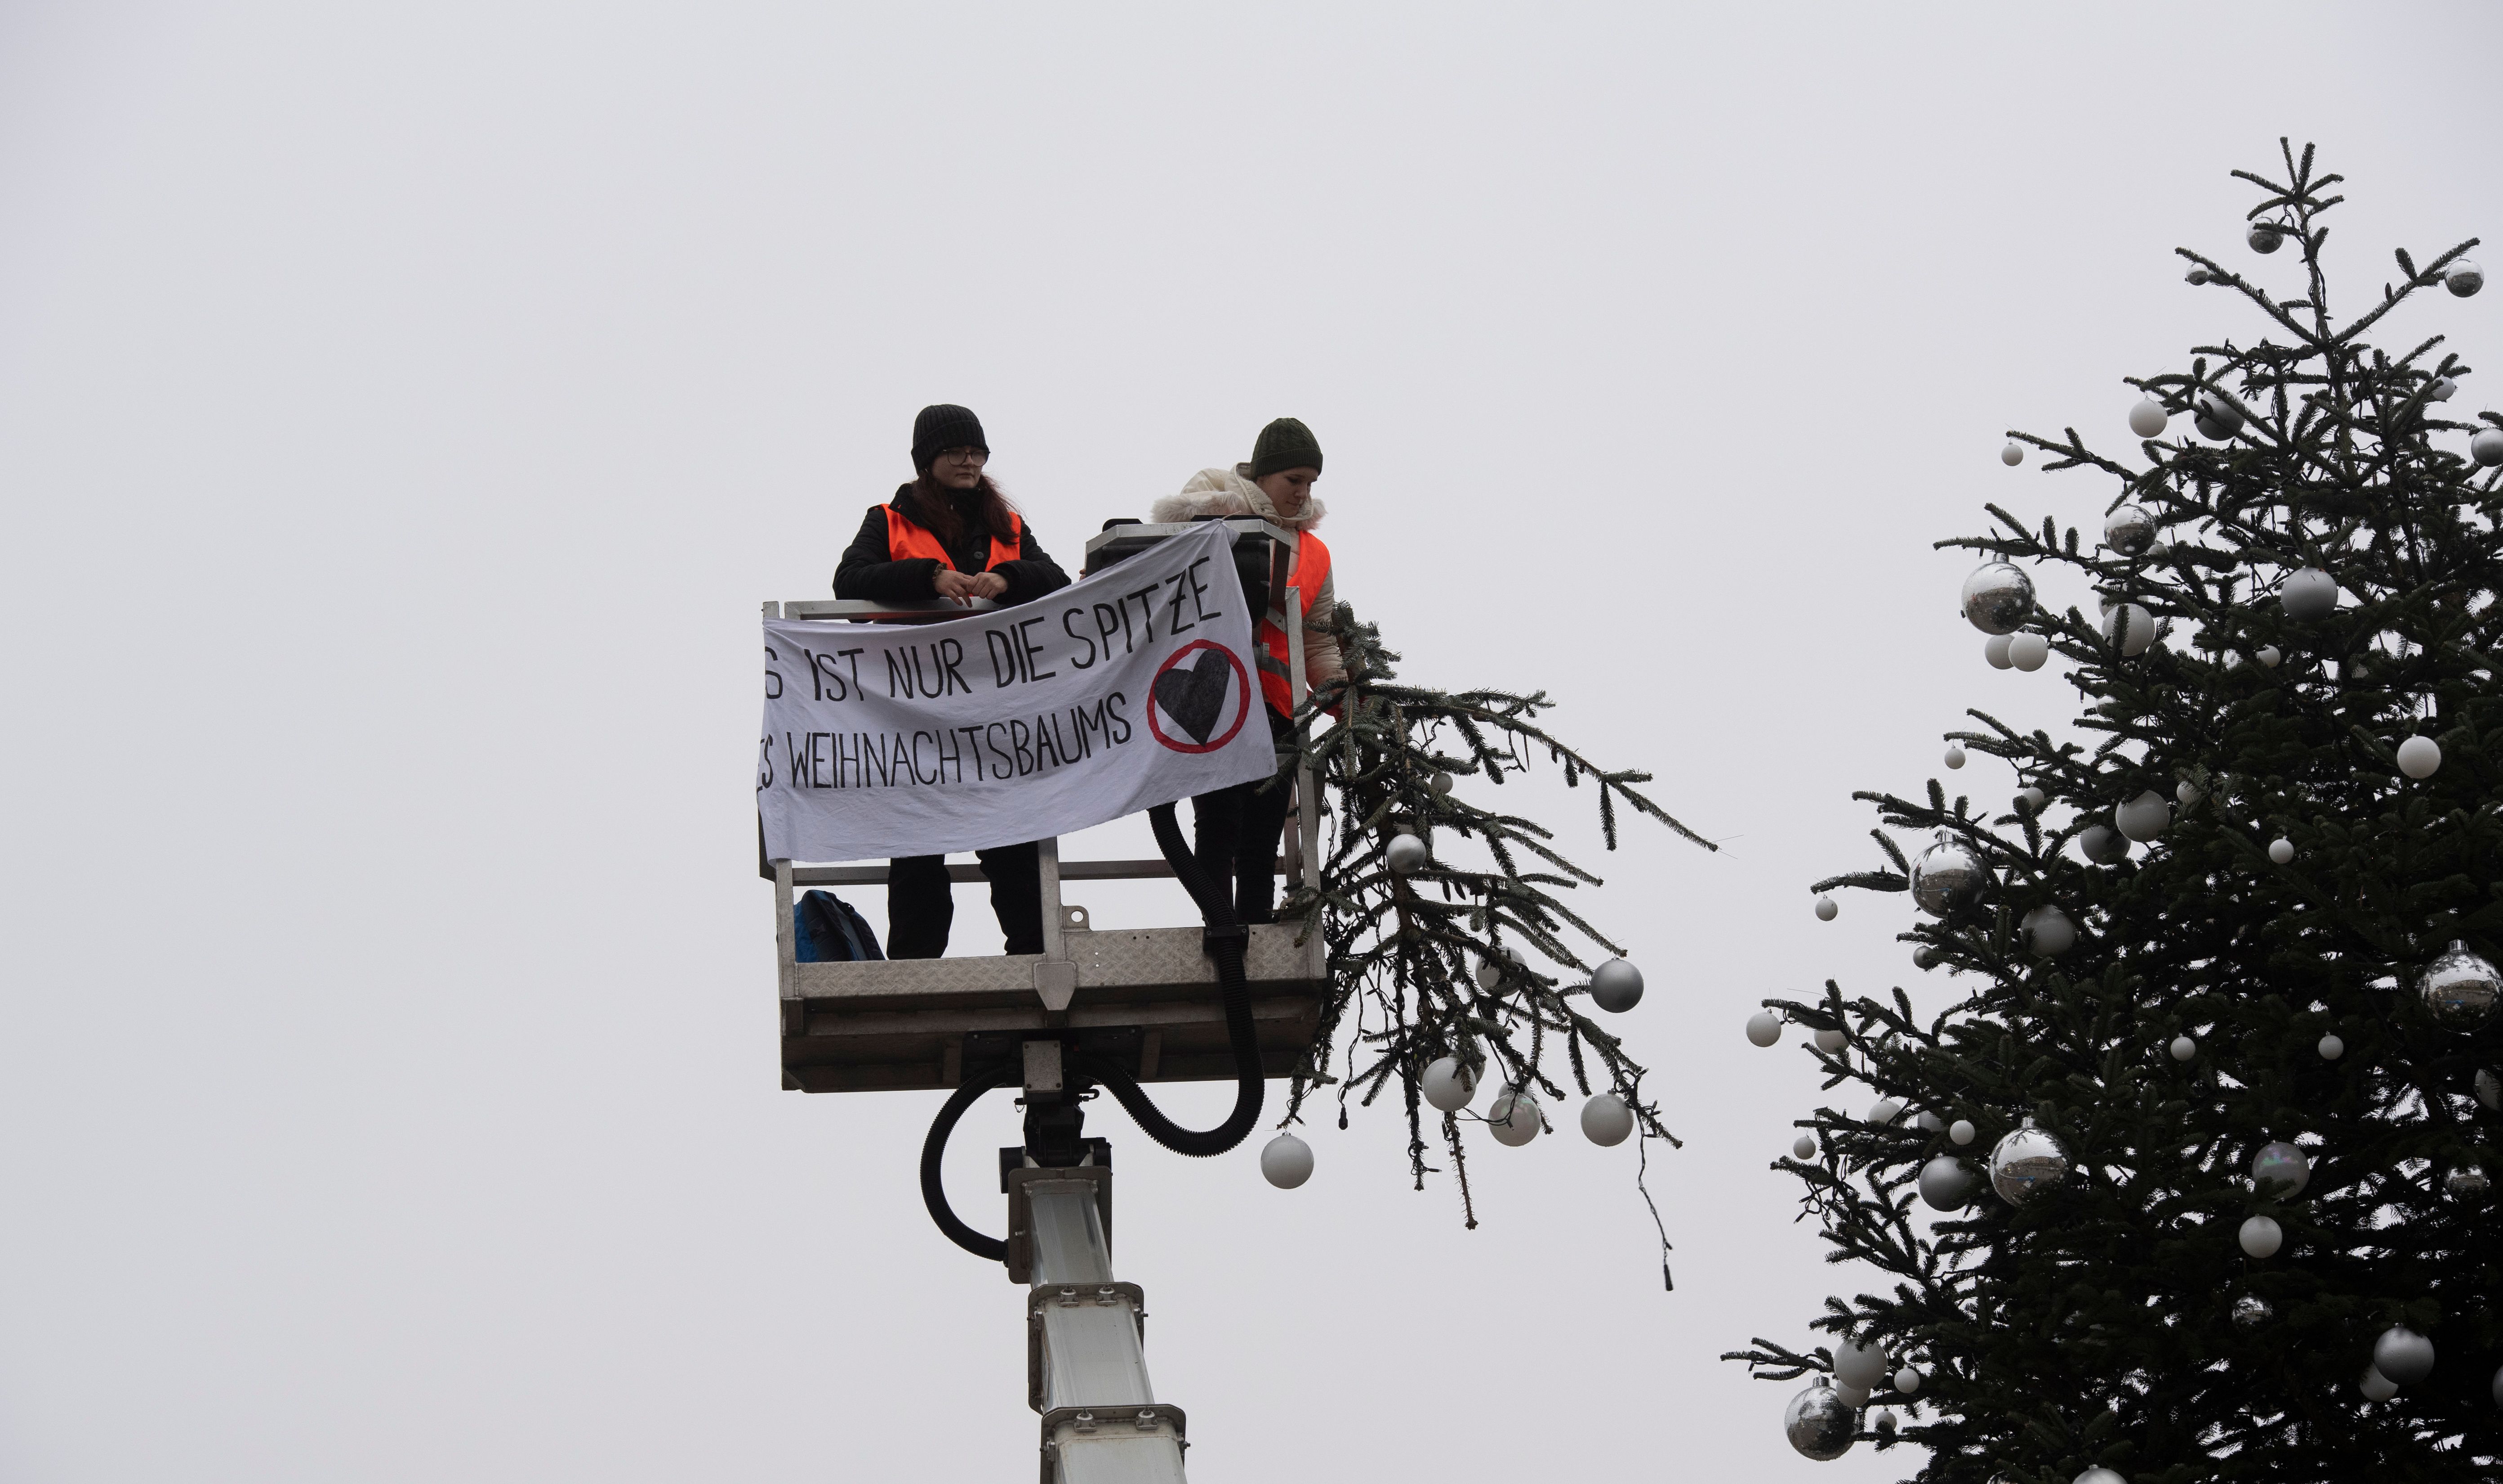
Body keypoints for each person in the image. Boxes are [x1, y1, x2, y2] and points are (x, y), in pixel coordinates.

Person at [835, 404, 1070, 958]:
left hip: (998, 715)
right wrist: (929, 577)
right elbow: (849, 580)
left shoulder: (1007, 524)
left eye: (977, 452)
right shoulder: (888, 519)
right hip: (917, 715)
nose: (969, 461)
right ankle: (914, 974)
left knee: (1015, 851)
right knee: (918, 855)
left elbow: (1055, 580)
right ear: (927, 460)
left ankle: (1035, 966)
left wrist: (1009, 576)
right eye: (956, 452)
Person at [1149, 417, 1348, 924]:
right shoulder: (1209, 521)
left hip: (1280, 708)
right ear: (1263, 477)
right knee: (1218, 824)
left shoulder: (1315, 552)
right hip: (1211, 696)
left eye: (1311, 483)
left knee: (1262, 835)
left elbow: (1318, 639)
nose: (1303, 494)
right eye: (1294, 481)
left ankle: (1253, 935)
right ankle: (1220, 933)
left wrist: (1346, 701)